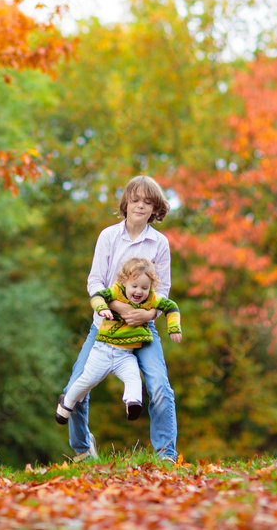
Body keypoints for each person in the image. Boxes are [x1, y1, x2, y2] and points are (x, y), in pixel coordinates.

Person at [62, 175, 179, 462]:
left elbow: (162, 290)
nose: (140, 205)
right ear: (125, 203)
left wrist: (148, 313)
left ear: (156, 209)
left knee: (160, 389)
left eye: (147, 201)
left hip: (144, 330)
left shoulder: (159, 243)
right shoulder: (109, 237)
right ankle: (82, 450)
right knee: (74, 390)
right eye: (135, 199)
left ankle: (166, 456)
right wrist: (121, 309)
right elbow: (95, 281)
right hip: (104, 327)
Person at [55, 257, 182, 423]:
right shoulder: (115, 291)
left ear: (151, 287)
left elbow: (171, 306)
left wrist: (174, 328)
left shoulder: (151, 299)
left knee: (133, 377)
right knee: (87, 380)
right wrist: (102, 308)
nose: (139, 292)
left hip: (125, 355)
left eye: (144, 288)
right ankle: (67, 401)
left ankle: (133, 403)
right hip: (103, 350)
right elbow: (97, 296)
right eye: (134, 286)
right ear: (124, 282)